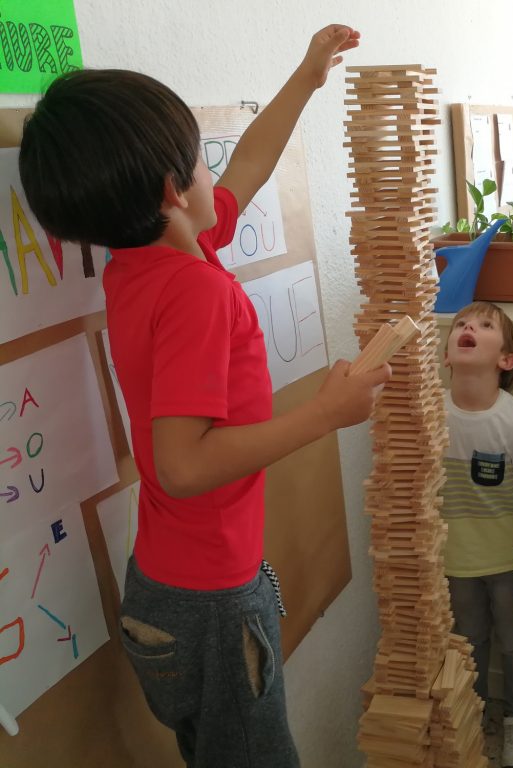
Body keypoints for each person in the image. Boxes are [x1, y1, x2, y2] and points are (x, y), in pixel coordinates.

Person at [18, 26, 386, 768]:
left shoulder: (147, 259)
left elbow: (249, 163)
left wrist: (306, 77)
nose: (212, 168)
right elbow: (182, 465)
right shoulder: (193, 290)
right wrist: (326, 413)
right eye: (198, 158)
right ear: (172, 190)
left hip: (172, 586)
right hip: (211, 605)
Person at [441, 301, 513, 768]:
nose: (469, 327)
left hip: (509, 565)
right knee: (468, 642)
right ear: (446, 353)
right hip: (453, 564)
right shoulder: (431, 414)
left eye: (485, 325)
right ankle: (475, 711)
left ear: (506, 359)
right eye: (461, 324)